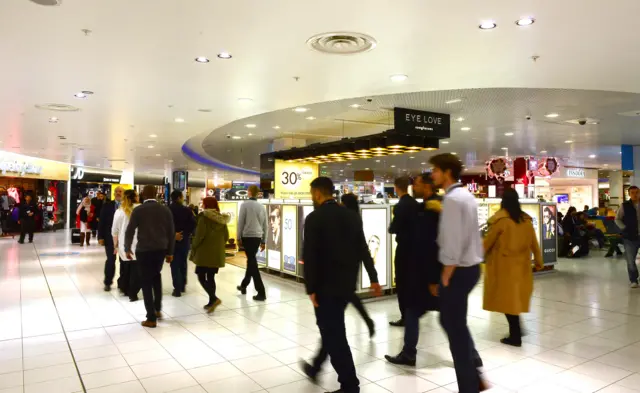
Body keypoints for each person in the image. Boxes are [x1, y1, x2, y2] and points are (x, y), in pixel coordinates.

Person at [301, 177, 381, 393]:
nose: (312, 197)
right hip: (346, 285)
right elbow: (363, 249)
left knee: (334, 334)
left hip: (325, 288)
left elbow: (310, 256)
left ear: (318, 193)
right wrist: (373, 278)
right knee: (333, 330)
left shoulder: (314, 219)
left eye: (312, 193)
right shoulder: (352, 217)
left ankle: (350, 385)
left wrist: (311, 288)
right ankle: (318, 367)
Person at [430, 153, 488, 392]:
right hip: (471, 268)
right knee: (454, 322)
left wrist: (446, 274)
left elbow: (454, 241)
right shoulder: (466, 196)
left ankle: (469, 384)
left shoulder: (453, 200)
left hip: (458, 270)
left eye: (435, 170)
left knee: (452, 325)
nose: (432, 174)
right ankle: (473, 376)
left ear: (446, 172)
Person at [385, 173, 443, 366]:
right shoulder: (422, 207)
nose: (414, 187)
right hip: (421, 269)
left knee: (449, 316)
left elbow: (433, 244)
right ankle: (409, 352)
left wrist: (433, 278)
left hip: (429, 271)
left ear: (426, 186)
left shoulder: (432, 209)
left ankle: (470, 354)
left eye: (416, 184)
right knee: (414, 310)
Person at [483, 188, 543, 347]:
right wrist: (538, 262)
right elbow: (534, 244)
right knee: (514, 299)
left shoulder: (500, 221)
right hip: (522, 266)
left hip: (503, 267)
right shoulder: (526, 220)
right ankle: (517, 331)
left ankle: (515, 336)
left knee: (507, 301)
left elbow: (487, 244)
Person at [125, 185, 175, 328]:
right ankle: (158, 309)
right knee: (156, 276)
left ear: (143, 194)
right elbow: (171, 232)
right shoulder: (165, 210)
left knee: (146, 282)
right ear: (156, 194)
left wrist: (127, 248)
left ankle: (151, 317)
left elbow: (130, 231)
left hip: (144, 250)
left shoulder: (138, 210)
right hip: (160, 249)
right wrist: (170, 252)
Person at [387, 176, 419, 327]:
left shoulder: (400, 206)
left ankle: (405, 316)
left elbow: (393, 228)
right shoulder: (415, 204)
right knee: (411, 282)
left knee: (401, 281)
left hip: (404, 249)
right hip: (415, 249)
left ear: (396, 187)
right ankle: (413, 313)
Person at [190, 197, 230, 313]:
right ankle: (211, 301)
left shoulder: (204, 217)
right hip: (216, 254)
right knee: (211, 277)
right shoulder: (222, 219)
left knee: (200, 275)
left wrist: (194, 246)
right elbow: (226, 236)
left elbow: (199, 235)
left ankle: (214, 298)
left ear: (206, 205)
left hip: (204, 253)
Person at [236, 185, 268, 301]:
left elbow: (241, 222)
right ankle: (244, 285)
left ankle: (261, 291)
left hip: (247, 236)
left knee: (252, 262)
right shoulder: (262, 207)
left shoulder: (244, 205)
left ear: (249, 192)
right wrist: (264, 240)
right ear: (257, 193)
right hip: (258, 236)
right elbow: (265, 225)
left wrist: (238, 237)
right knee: (251, 260)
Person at [111, 189, 140, 301]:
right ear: (135, 197)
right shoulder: (139, 209)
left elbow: (114, 230)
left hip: (124, 245)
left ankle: (125, 288)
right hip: (138, 243)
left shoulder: (119, 211)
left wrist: (115, 245)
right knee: (136, 269)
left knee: (125, 268)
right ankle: (133, 292)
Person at [169, 190, 196, 297]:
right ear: (180, 197)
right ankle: (183, 285)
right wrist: (184, 233)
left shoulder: (167, 210)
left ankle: (177, 288)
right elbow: (193, 224)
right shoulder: (187, 210)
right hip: (184, 240)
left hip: (172, 241)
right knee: (183, 262)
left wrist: (174, 234)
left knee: (174, 263)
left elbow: (165, 225)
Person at [99, 186, 124, 292]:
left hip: (124, 238)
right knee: (111, 260)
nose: (118, 193)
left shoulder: (127, 206)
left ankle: (122, 283)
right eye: (116, 192)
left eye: (120, 192)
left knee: (124, 261)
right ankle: (107, 282)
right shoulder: (107, 206)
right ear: (114, 194)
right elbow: (102, 222)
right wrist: (100, 236)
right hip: (110, 238)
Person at [615, 185, 640, 287]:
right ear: (629, 194)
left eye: (637, 192)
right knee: (630, 260)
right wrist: (624, 228)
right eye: (632, 193)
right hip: (630, 237)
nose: (635, 194)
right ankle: (633, 279)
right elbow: (617, 219)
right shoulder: (624, 206)